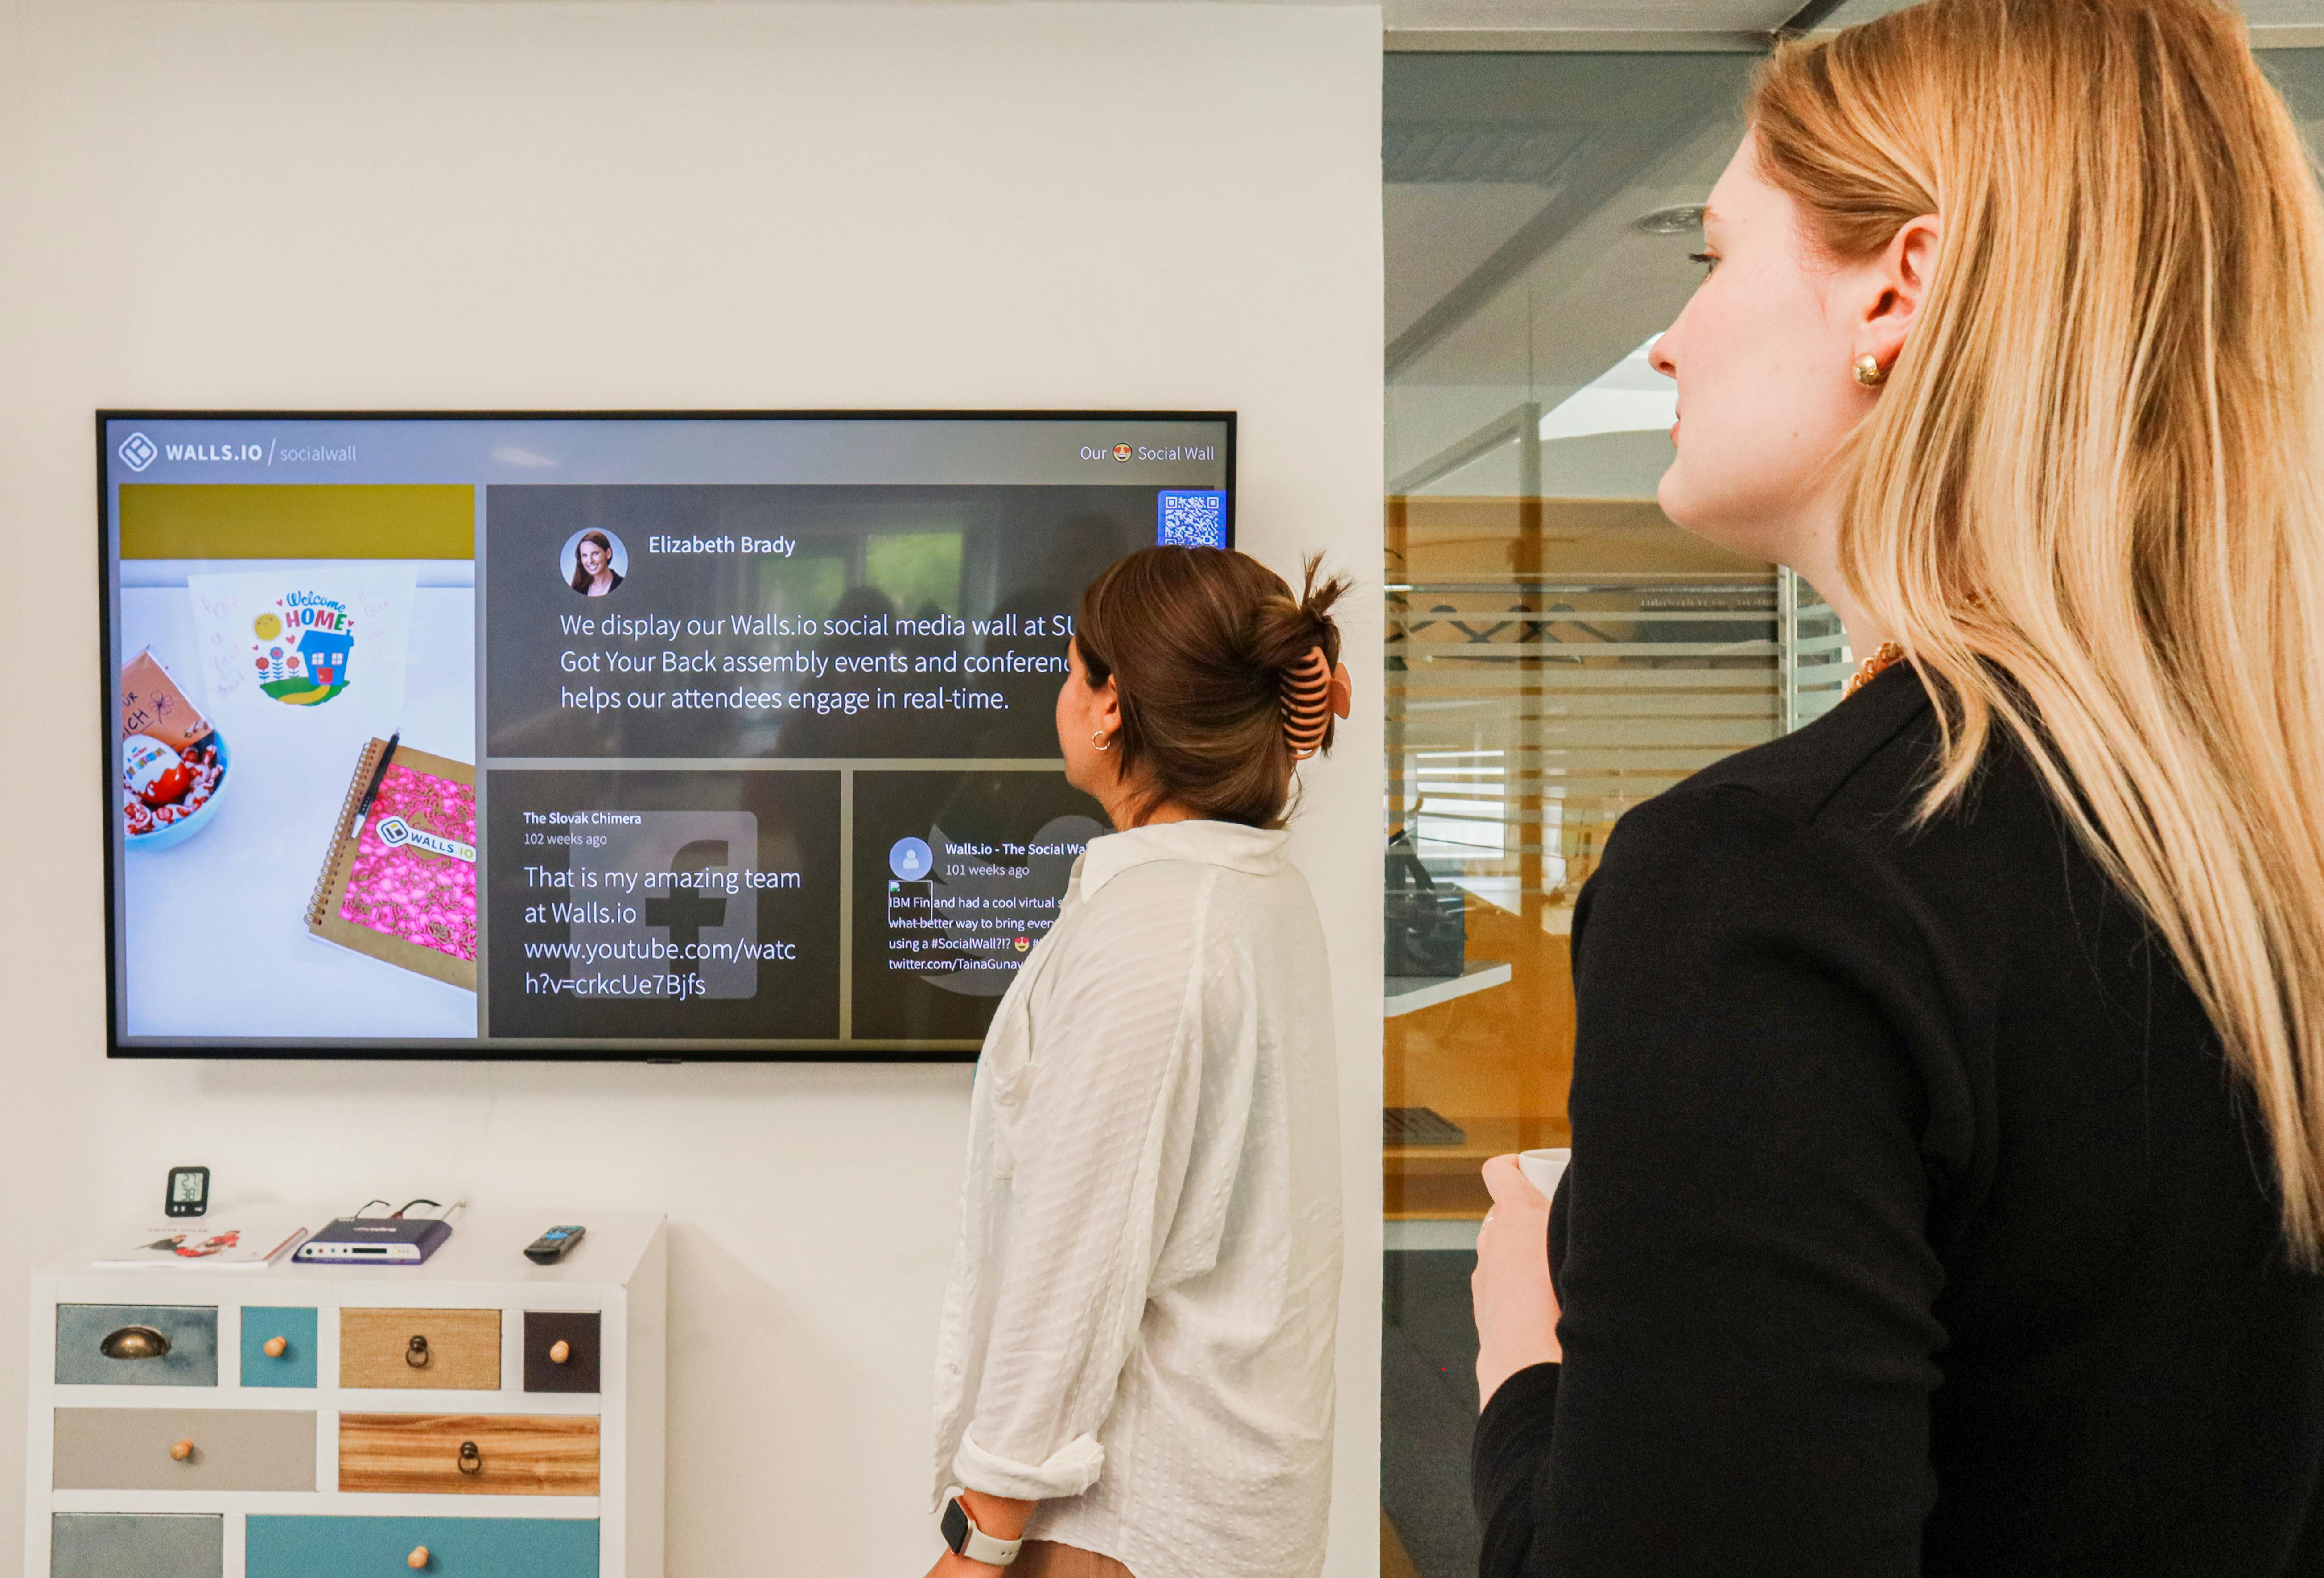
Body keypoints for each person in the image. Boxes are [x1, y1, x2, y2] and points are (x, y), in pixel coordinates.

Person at [1468, 2, 2324, 1574]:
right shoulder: (2263, 855)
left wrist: (1527, 1371)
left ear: (1900, 288)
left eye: (1709, 257)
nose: (1671, 334)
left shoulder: (1774, 878)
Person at [926, 545, 1352, 1578]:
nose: (1060, 692)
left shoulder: (1164, 929)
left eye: (1072, 669)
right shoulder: (1245, 891)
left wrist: (980, 1535)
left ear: (1111, 704)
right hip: (1213, 1491)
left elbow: (1079, 1253)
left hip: (1124, 1516)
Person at [569, 530, 622, 596]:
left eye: (595, 554)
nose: (590, 561)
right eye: (585, 556)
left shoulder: (624, 585)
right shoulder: (579, 590)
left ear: (608, 553)